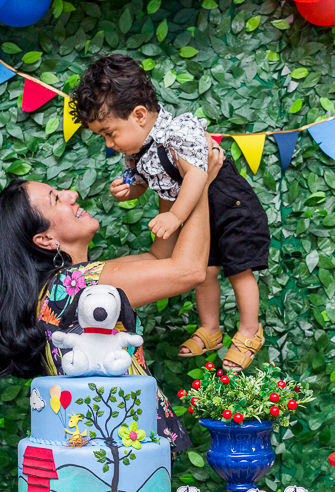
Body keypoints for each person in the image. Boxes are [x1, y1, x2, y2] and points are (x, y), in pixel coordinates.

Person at [0, 139, 225, 452]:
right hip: (122, 456)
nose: (72, 195)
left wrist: (166, 179)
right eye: (56, 199)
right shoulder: (75, 284)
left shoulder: (65, 285)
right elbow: (188, 271)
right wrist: (198, 180)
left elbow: (159, 258)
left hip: (113, 455)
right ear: (45, 239)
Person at [70, 54, 271, 372]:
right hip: (200, 213)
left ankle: (249, 330)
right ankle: (211, 328)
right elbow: (144, 182)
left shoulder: (178, 131)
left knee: (239, 269)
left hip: (230, 205)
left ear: (139, 115)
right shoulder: (136, 151)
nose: (109, 143)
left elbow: (197, 175)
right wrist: (130, 191)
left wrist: (175, 217)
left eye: (110, 133)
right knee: (206, 269)